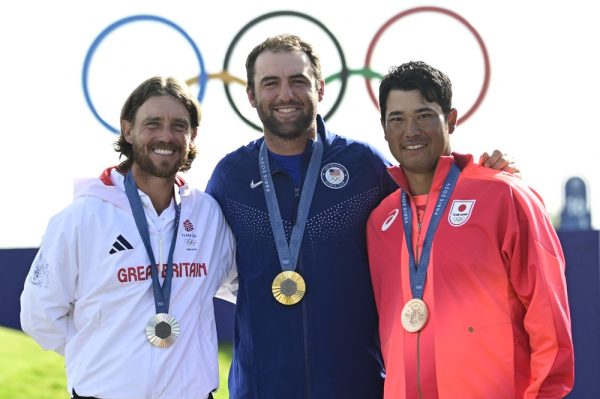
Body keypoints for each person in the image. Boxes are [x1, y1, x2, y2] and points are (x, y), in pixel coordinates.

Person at [206, 34, 517, 398]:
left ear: (321, 88)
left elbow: (427, 206)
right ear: (251, 96)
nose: (285, 94)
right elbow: (200, 255)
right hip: (261, 388)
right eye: (270, 83)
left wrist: (479, 174)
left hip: (357, 385)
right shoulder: (231, 176)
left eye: (298, 81)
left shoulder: (363, 165)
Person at [366, 61, 574, 398]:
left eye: (424, 115)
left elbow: (548, 319)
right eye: (397, 119)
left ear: (451, 120)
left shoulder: (502, 194)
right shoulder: (381, 221)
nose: (411, 131)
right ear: (384, 128)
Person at [20, 76, 237, 399]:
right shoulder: (83, 216)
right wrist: (102, 352)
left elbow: (237, 285)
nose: (166, 135)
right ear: (128, 130)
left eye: (179, 125)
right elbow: (39, 315)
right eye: (153, 123)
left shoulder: (207, 214)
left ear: (192, 135)